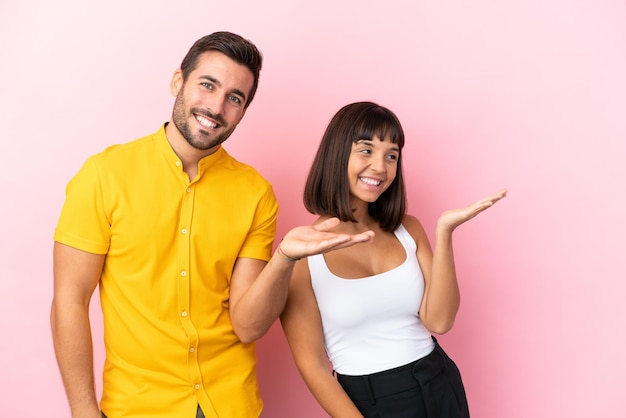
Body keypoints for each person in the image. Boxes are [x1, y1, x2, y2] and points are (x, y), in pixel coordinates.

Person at [50, 32, 374, 418]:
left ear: (243, 110)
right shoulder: (103, 176)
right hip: (139, 406)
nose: (217, 106)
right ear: (178, 82)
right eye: (208, 85)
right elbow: (69, 300)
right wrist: (83, 412)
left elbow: (248, 325)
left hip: (231, 404)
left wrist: (284, 258)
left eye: (234, 98)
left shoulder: (256, 194)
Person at [280, 101, 507, 417]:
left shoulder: (408, 228)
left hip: (438, 380)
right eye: (366, 150)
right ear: (337, 154)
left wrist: (444, 233)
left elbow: (439, 321)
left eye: (391, 156)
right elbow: (313, 365)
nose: (380, 167)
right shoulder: (303, 252)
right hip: (370, 401)